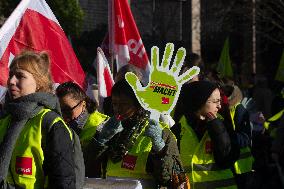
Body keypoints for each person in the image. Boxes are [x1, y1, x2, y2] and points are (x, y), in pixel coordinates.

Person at [0, 51, 76, 189]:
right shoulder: (5, 118)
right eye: (11, 75)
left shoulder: (50, 123)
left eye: (20, 76)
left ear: (39, 83)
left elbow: (63, 181)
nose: (11, 81)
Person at [92, 79, 184, 188]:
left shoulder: (161, 131)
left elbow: (170, 178)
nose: (118, 109)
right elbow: (88, 168)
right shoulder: (108, 127)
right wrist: (100, 141)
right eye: (114, 104)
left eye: (124, 104)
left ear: (138, 104)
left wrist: (159, 148)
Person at [171, 81, 240, 188]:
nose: (219, 106)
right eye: (215, 101)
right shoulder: (179, 128)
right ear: (200, 102)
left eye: (220, 101)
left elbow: (227, 159)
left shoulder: (222, 124)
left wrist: (217, 127)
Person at [56, 81, 108, 178]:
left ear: (83, 104)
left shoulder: (101, 126)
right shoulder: (60, 124)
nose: (62, 115)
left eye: (67, 110)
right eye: (58, 110)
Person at [221, 84, 254, 188]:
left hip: (241, 166)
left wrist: (227, 136)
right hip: (230, 163)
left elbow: (245, 138)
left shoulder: (239, 110)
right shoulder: (223, 109)